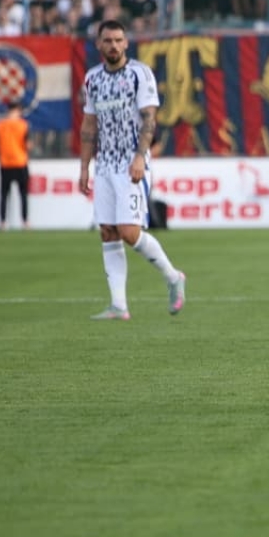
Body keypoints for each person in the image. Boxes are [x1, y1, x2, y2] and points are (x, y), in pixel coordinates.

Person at [77, 19, 187, 320]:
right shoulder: (92, 79)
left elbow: (150, 118)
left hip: (131, 162)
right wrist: (84, 167)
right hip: (104, 164)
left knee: (129, 231)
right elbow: (89, 125)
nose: (113, 45)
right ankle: (119, 305)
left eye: (118, 40)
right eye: (107, 40)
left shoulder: (139, 74)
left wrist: (140, 156)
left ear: (126, 43)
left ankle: (173, 276)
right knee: (108, 231)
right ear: (99, 44)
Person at [0, 101, 30, 231]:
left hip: (5, 163)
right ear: (17, 110)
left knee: (4, 194)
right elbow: (27, 144)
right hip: (20, 162)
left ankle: (3, 222)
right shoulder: (23, 125)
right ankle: (25, 222)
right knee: (23, 194)